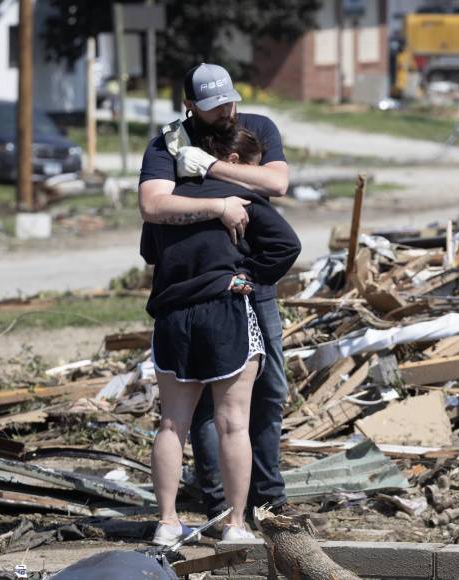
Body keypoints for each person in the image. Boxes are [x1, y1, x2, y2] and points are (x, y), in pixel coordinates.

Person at [138, 63, 292, 533]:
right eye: (212, 106)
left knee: (268, 393)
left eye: (229, 101)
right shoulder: (168, 142)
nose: (225, 111)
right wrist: (218, 204)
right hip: (206, 291)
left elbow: (278, 183)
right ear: (189, 106)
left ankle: (267, 498)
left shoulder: (258, 127)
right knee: (213, 413)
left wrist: (212, 170)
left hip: (245, 286)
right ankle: (224, 508)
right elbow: (152, 207)